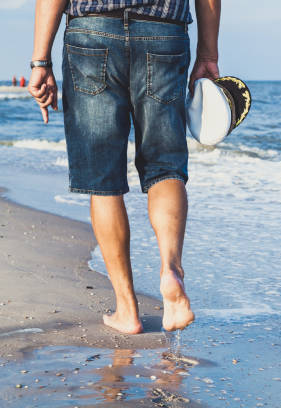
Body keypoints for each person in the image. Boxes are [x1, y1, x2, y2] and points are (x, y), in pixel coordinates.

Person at [28, 0, 221, 333]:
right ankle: (170, 271)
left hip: (92, 32)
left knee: (102, 177)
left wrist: (40, 60)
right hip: (164, 32)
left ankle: (127, 309)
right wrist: (208, 54)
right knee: (165, 166)